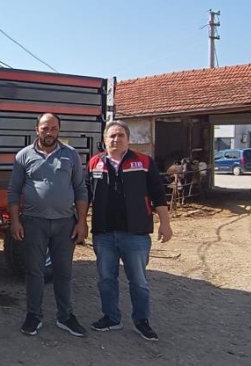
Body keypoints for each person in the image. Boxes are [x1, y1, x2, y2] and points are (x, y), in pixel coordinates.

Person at [84, 120, 173, 341]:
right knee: (106, 279)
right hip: (103, 232)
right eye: (111, 136)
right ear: (104, 140)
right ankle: (111, 318)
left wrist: (165, 223)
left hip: (135, 233)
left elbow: (158, 194)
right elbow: (86, 195)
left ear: (128, 139)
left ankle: (142, 321)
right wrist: (81, 222)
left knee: (139, 281)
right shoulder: (95, 163)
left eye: (120, 136)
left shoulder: (143, 162)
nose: (115, 139)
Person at [7, 113, 89, 338]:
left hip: (65, 224)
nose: (49, 132)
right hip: (34, 223)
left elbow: (81, 189)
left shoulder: (70, 155)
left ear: (59, 130)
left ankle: (66, 317)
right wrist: (15, 221)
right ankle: (34, 316)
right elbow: (13, 191)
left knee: (63, 272)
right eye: (45, 128)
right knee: (34, 272)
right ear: (37, 129)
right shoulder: (23, 156)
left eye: (53, 128)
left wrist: (82, 221)